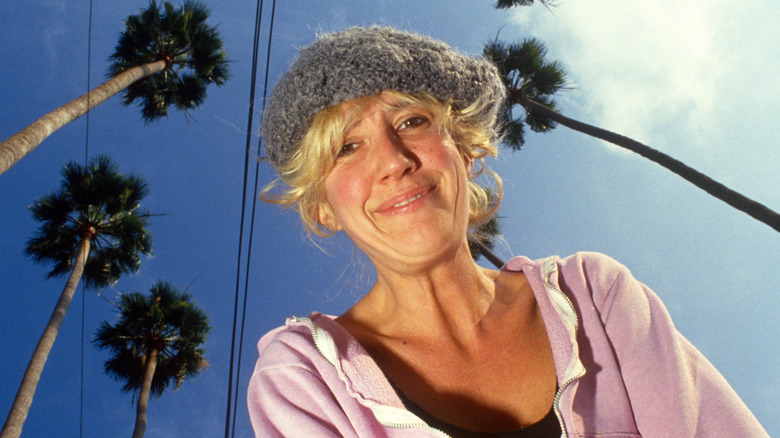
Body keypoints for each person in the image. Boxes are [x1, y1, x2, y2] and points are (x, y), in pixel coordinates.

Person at [248, 26, 768, 437]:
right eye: (346, 148)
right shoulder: (303, 380)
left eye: (410, 122)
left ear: (466, 148)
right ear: (324, 209)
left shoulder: (596, 299)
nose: (394, 161)